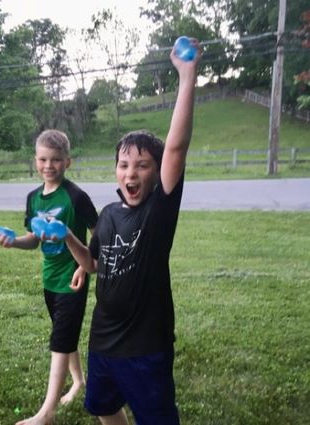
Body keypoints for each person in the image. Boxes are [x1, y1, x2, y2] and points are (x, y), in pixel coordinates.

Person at [63, 40, 202, 425]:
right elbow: (92, 263)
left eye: (142, 165)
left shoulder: (159, 212)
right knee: (104, 407)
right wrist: (66, 237)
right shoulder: (108, 214)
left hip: (146, 346)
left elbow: (175, 148)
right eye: (124, 165)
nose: (131, 173)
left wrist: (187, 76)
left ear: (157, 174)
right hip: (104, 340)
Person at [0, 129, 98, 425]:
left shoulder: (76, 197)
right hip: (49, 280)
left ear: (68, 162)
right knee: (65, 336)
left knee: (60, 342)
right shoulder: (33, 198)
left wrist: (84, 264)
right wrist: (13, 241)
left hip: (72, 280)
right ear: (35, 160)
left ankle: (46, 413)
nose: (48, 165)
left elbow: (101, 233)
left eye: (55, 160)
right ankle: (78, 382)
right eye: (43, 159)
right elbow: (33, 239)